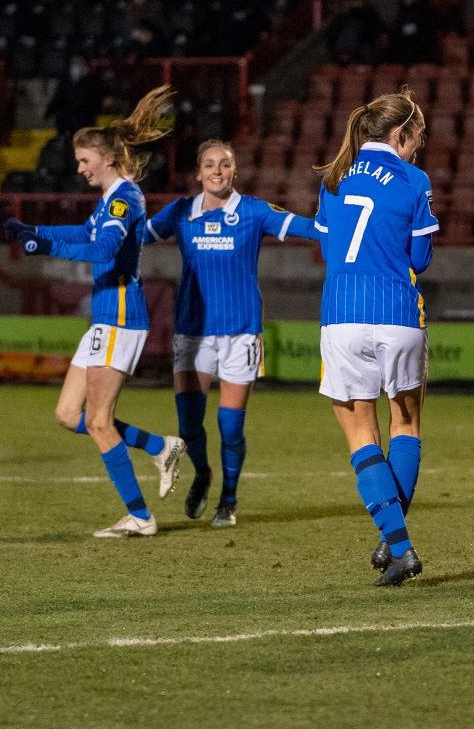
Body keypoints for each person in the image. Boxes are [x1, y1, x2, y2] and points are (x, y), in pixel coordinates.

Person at [2, 85, 186, 539]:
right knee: (70, 415)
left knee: (100, 421)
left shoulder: (125, 198)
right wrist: (34, 228)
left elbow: (103, 246)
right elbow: (84, 229)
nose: (80, 169)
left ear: (106, 158)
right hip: (105, 318)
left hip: (122, 317)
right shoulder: (108, 200)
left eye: (85, 161)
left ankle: (140, 516)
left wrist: (43, 244)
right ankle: (160, 446)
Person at [145, 140, 320, 527]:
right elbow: (135, 238)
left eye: (225, 164)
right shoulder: (180, 212)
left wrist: (348, 230)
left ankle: (229, 499)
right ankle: (203, 473)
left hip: (241, 333)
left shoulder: (254, 211)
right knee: (189, 425)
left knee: (230, 425)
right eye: (209, 164)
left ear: (235, 171)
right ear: (198, 173)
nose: (217, 170)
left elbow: (308, 228)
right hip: (193, 334)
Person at [312, 88, 437, 586]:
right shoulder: (415, 179)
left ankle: (399, 542)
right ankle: (395, 537)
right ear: (399, 133)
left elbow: (328, 249)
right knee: (405, 426)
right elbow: (421, 260)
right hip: (399, 314)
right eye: (417, 138)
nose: (419, 147)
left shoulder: (334, 176)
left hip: (342, 315)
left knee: (362, 434)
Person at [44, 56, 104, 138]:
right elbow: (58, 98)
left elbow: (96, 102)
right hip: (66, 124)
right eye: (74, 65)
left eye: (79, 65)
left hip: (84, 124)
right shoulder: (65, 82)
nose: (76, 68)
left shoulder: (91, 83)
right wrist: (48, 113)